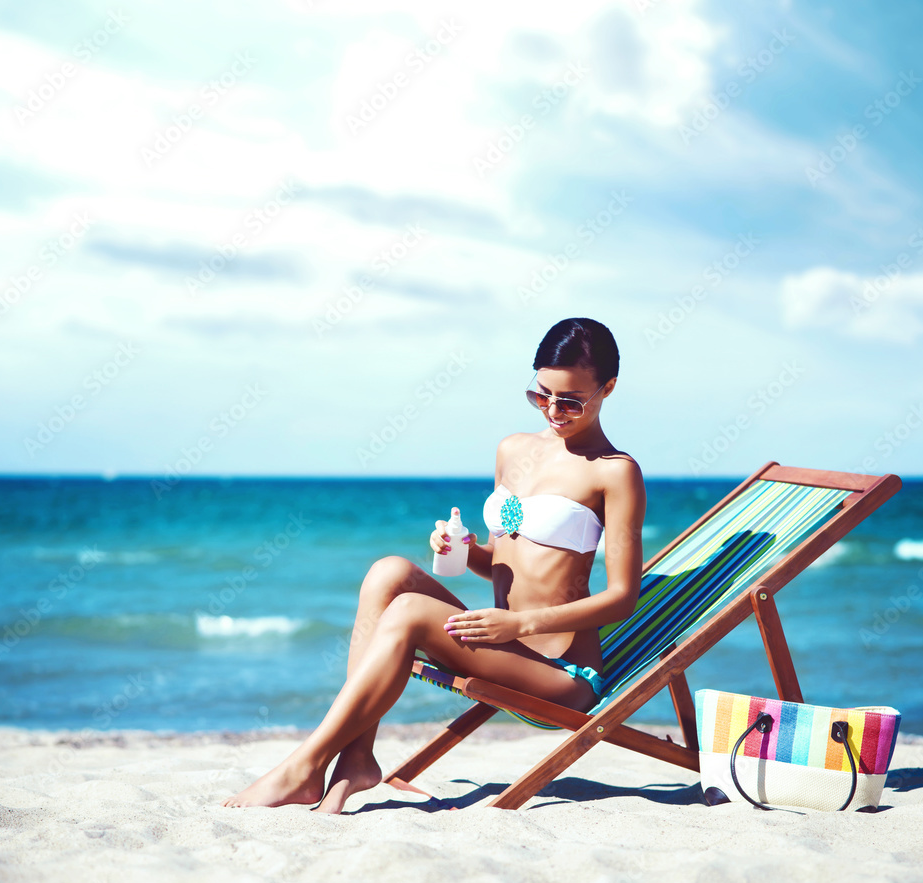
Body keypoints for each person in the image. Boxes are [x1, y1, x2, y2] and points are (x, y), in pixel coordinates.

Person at [222, 316, 645, 813]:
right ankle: (356, 759)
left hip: (561, 674)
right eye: (541, 394)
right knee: (389, 572)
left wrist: (519, 622)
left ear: (608, 388)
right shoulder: (513, 450)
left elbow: (623, 597)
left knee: (407, 613)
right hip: (501, 642)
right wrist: (463, 551)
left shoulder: (616, 473)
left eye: (571, 399)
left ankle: (303, 768)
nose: (553, 410)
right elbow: (501, 564)